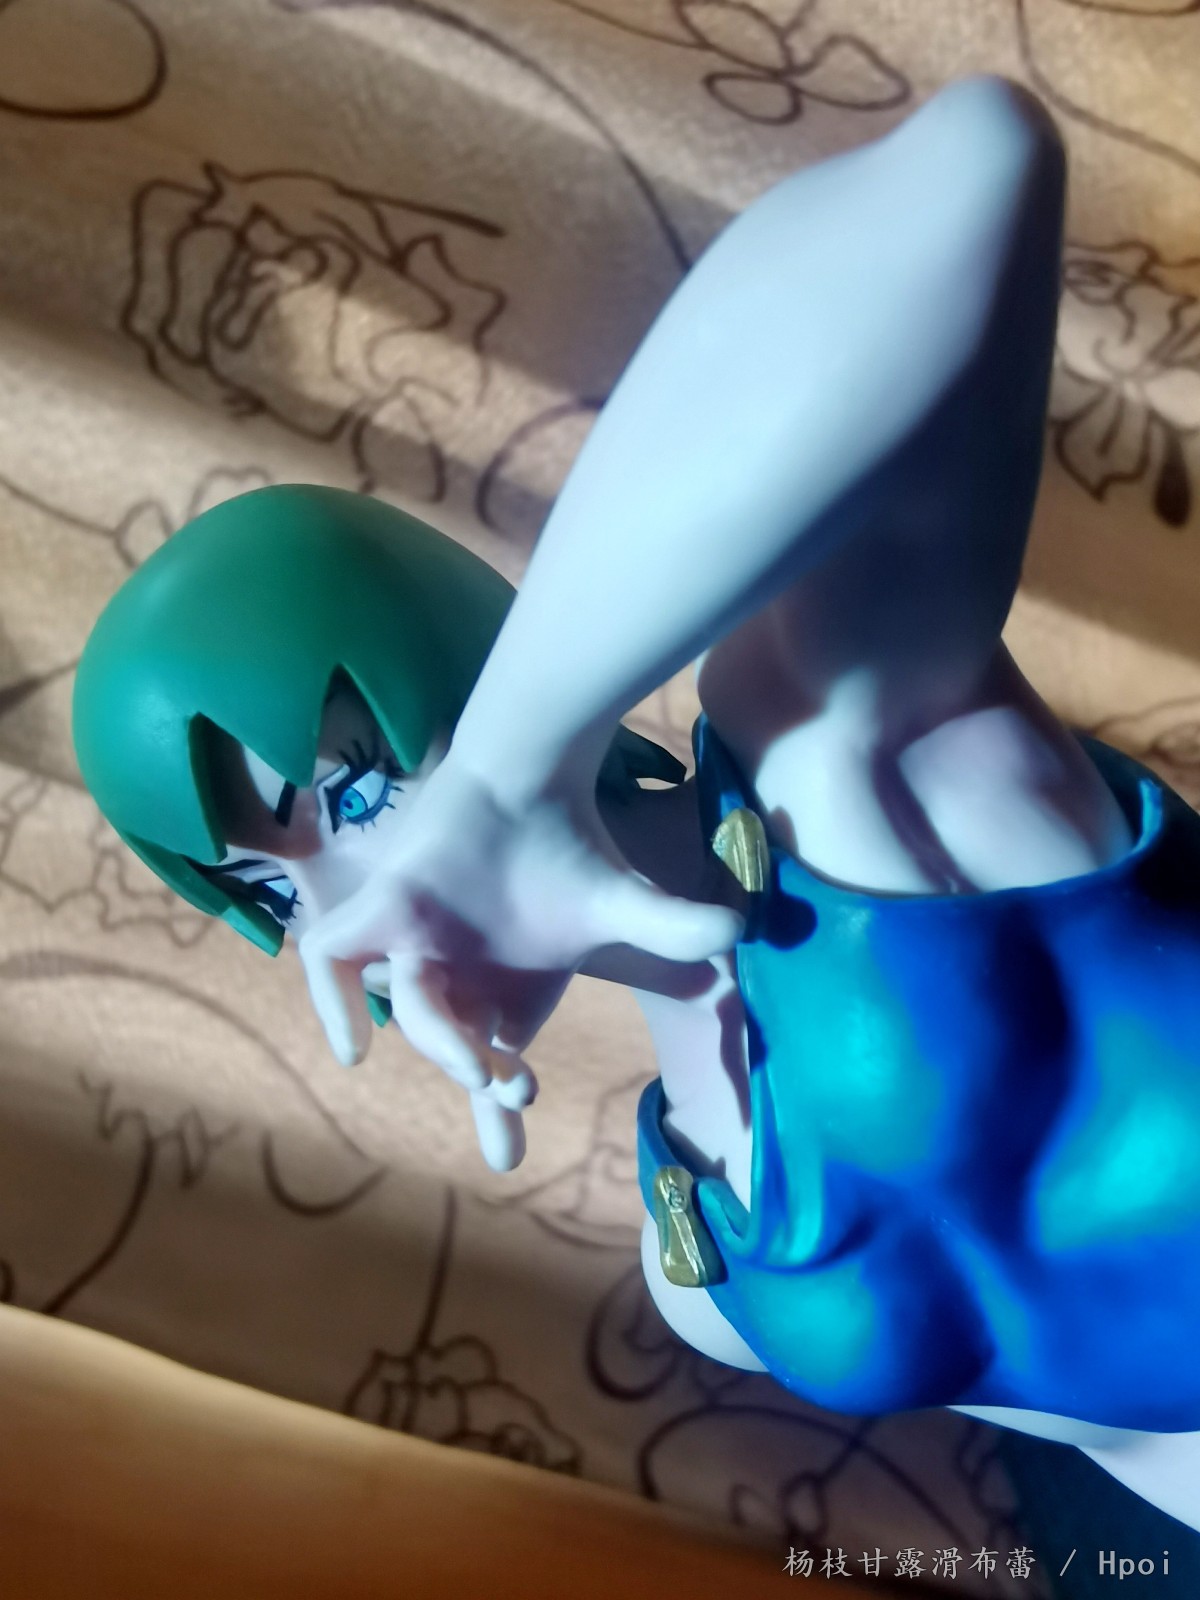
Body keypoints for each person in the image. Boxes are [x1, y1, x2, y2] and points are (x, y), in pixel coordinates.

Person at [73, 77, 1200, 1528]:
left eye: (348, 795)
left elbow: (971, 167)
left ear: (455, 666)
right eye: (276, 888)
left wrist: (508, 769)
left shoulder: (836, 749)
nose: (354, 908)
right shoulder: (699, 1264)